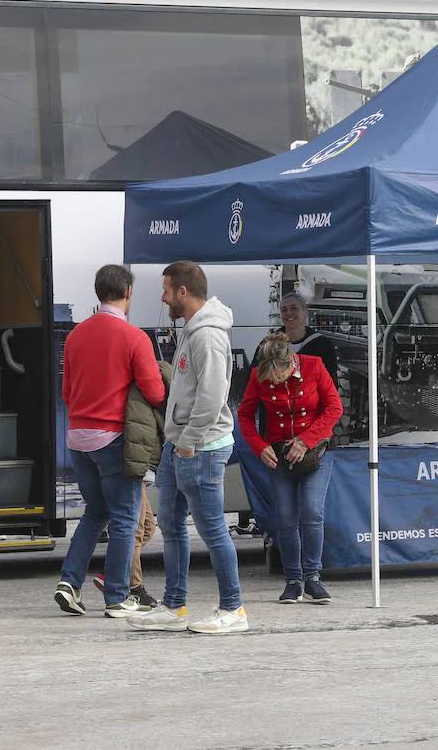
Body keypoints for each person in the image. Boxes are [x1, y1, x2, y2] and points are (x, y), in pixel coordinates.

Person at [130, 261, 248, 635]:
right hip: (180, 443)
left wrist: (190, 442)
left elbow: (213, 396)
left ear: (183, 291)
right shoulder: (195, 330)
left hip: (200, 447)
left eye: (166, 290)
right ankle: (175, 604)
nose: (162, 298)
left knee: (212, 529)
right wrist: (178, 442)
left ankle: (233, 609)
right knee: (172, 523)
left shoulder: (207, 335)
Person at [53, 265, 165, 618]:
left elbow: (67, 391)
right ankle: (118, 596)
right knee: (125, 518)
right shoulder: (134, 338)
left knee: (95, 512)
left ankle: (69, 583)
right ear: (128, 293)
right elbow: (155, 391)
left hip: (78, 437)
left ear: (99, 292)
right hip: (114, 438)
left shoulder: (75, 336)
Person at [238, 332, 343, 603]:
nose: (274, 383)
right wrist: (259, 447)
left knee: (311, 511)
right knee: (285, 518)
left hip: (316, 452)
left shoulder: (314, 366)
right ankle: (293, 580)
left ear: (290, 364)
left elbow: (334, 407)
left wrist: (307, 440)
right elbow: (245, 415)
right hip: (279, 454)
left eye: (278, 377)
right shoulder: (258, 377)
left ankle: (313, 578)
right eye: (269, 379)